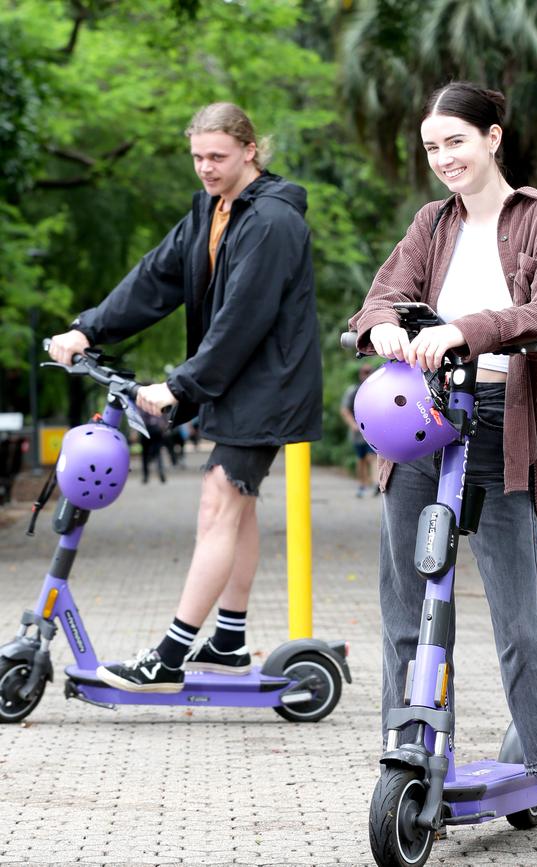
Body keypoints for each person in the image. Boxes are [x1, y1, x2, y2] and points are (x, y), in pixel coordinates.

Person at [348, 82, 537, 865]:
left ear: (493, 137)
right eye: (432, 148)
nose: (444, 159)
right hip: (423, 424)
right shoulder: (430, 224)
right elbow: (376, 304)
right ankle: (417, 759)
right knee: (407, 605)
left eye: (455, 141)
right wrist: (390, 326)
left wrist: (467, 329)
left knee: (520, 624)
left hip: (501, 425)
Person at [48, 101, 322, 691]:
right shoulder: (210, 210)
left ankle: (169, 657)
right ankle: (226, 640)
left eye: (217, 156)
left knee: (218, 505)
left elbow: (244, 318)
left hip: (265, 384)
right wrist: (87, 328)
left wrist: (179, 386)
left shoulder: (272, 221)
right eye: (197, 156)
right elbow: (156, 278)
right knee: (235, 506)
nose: (205, 167)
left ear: (250, 149)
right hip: (239, 382)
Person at [340, 364, 378, 497]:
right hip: (358, 433)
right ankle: (362, 484)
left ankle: (375, 484)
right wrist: (353, 425)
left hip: (373, 431)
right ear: (360, 374)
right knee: (361, 459)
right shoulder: (353, 391)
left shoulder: (377, 390)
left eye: (369, 372)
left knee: (372, 457)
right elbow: (345, 410)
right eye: (365, 372)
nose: (367, 375)